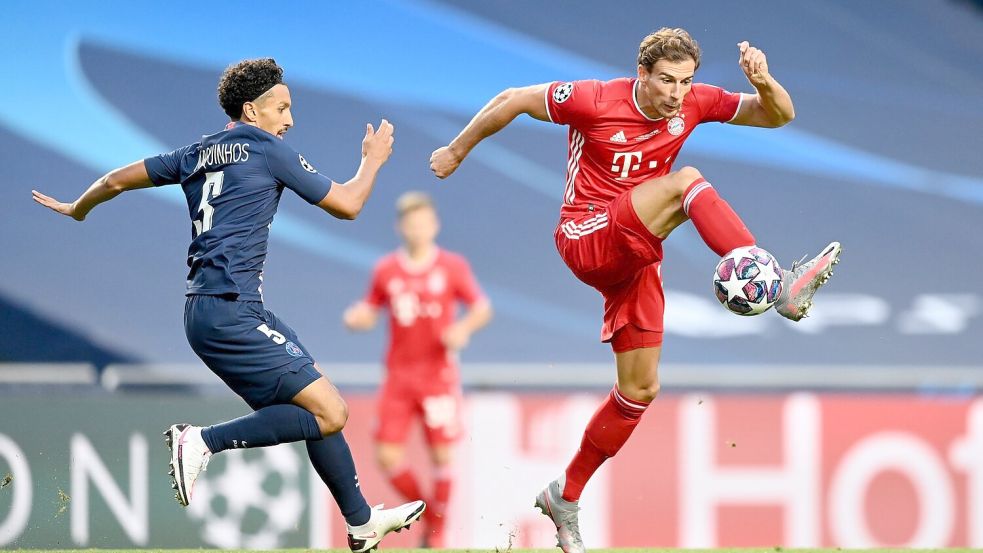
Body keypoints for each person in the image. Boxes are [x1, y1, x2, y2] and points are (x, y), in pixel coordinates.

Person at [430, 29, 840, 553]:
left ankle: (565, 496)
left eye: (685, 81)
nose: (677, 93)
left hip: (637, 252)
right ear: (641, 73)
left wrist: (763, 82)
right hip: (586, 233)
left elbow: (778, 115)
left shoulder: (694, 103)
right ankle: (777, 285)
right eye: (666, 80)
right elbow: (513, 99)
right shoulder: (594, 99)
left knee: (639, 391)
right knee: (686, 181)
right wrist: (456, 151)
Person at [33, 58, 424, 553]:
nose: (290, 120)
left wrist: (78, 208)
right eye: (282, 108)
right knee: (332, 412)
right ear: (251, 110)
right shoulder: (267, 149)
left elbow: (114, 181)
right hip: (230, 310)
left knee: (312, 405)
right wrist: (373, 160)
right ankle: (200, 441)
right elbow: (348, 204)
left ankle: (361, 523)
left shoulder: (195, 153)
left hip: (211, 311)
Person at [343, 191, 493, 548]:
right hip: (398, 377)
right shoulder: (386, 270)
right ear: (401, 228)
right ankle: (428, 515)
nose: (418, 230)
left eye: (423, 223)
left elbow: (481, 308)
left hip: (438, 376)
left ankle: (436, 535)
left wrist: (462, 329)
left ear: (435, 225)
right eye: (411, 224)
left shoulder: (452, 266)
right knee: (387, 455)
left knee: (442, 454)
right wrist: (358, 318)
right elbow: (370, 309)